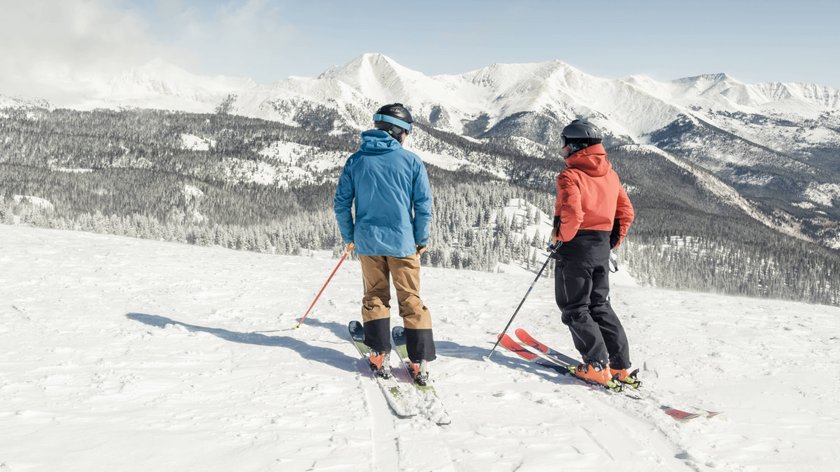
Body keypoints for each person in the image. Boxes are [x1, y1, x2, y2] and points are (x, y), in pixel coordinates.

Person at [334, 103, 435, 385]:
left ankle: (379, 353)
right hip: (403, 244)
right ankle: (419, 362)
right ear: (399, 132)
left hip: (368, 244)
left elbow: (341, 204)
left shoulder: (356, 161)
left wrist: (350, 237)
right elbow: (423, 206)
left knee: (376, 296)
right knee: (411, 300)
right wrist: (421, 239)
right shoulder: (411, 161)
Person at [550, 119, 637, 389]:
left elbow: (573, 215)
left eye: (564, 144)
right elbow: (626, 213)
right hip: (600, 249)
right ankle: (619, 366)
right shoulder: (610, 174)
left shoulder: (570, 176)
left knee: (575, 307)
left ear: (577, 146)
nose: (563, 150)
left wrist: (560, 238)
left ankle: (596, 365)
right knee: (600, 306)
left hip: (576, 248)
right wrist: (609, 242)